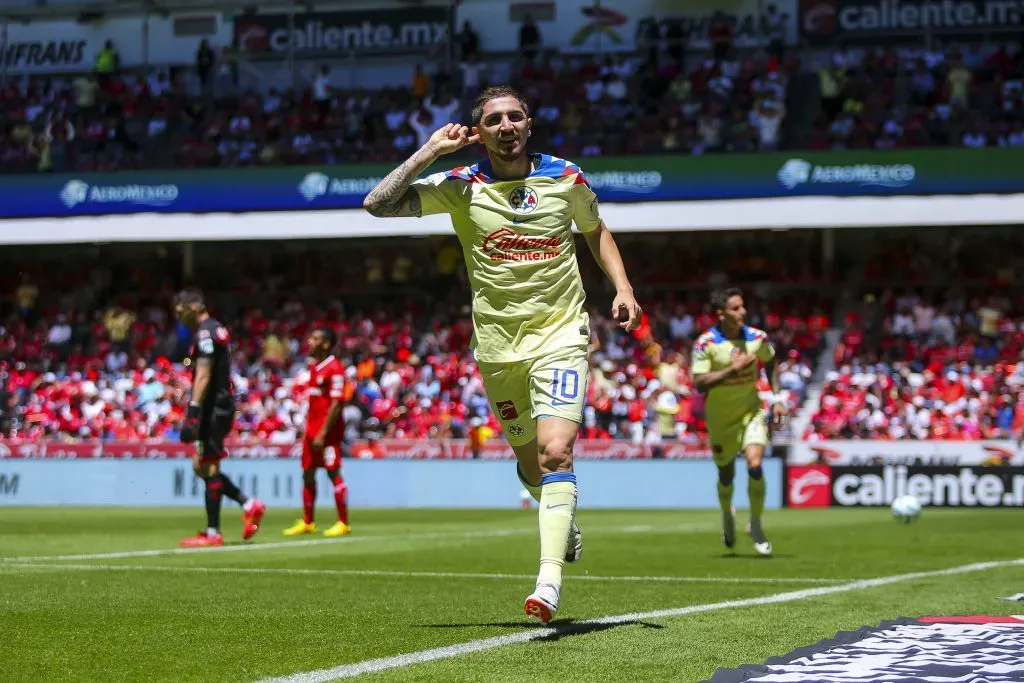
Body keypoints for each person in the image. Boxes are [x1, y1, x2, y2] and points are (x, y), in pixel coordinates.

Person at [363, 85, 642, 624]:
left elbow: (596, 229)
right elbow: (378, 204)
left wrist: (623, 288)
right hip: (497, 346)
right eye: (494, 120)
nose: (506, 125)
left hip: (561, 334)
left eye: (515, 116)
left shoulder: (565, 178)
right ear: (479, 132)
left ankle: (548, 582)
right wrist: (429, 152)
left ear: (530, 125)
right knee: (531, 463)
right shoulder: (461, 186)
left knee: (557, 451)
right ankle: (563, 520)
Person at [692, 288, 787, 557]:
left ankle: (756, 524)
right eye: (735, 308)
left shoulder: (757, 338)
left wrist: (777, 397)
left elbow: (770, 361)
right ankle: (727, 514)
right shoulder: (705, 344)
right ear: (721, 314)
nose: (742, 312)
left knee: (755, 464)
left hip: (751, 412)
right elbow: (699, 382)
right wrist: (732, 370)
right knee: (726, 475)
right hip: (721, 418)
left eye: (742, 306)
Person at [175, 288, 266, 547]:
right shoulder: (216, 329)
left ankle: (213, 532)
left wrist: (193, 411)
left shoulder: (205, 332)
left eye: (181, 312)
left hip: (213, 406)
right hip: (219, 404)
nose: (180, 318)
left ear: (193, 308)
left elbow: (204, 374)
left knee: (210, 466)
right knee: (201, 465)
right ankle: (249, 504)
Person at [283, 327, 351, 537]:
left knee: (333, 473)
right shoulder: (315, 368)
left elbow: (337, 404)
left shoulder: (335, 369)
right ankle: (308, 521)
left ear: (326, 344)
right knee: (308, 474)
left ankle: (343, 522)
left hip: (327, 434)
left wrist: (323, 432)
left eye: (315, 338)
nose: (310, 341)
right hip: (311, 432)